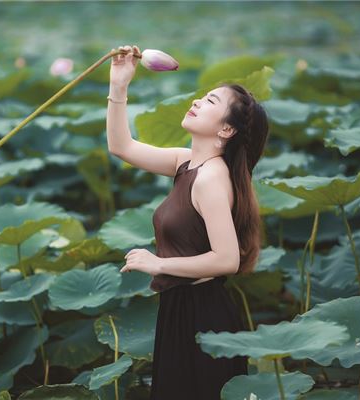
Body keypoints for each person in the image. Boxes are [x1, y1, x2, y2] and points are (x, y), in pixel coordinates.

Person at [106, 45, 269, 400]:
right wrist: (119, 86)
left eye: (210, 101)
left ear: (226, 129)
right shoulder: (187, 163)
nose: (197, 101)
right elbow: (122, 147)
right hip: (180, 307)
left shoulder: (211, 178)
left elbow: (227, 259)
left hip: (203, 315)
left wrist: (158, 263)